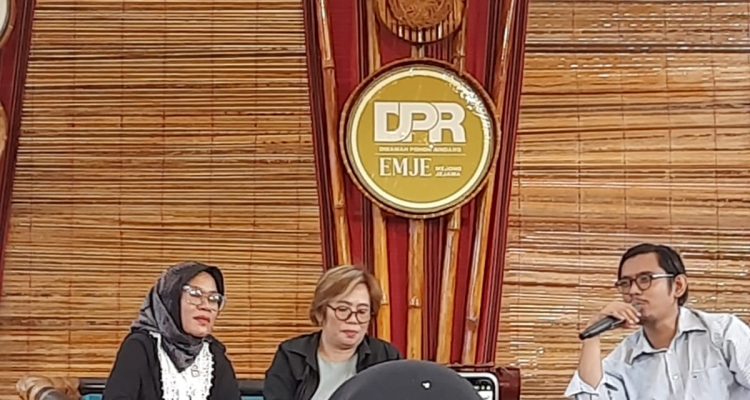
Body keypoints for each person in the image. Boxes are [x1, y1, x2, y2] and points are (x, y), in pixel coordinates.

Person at [565, 243, 750, 399]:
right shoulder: (624, 359)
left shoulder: (723, 333)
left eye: (645, 279)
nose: (633, 291)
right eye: (625, 283)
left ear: (678, 286)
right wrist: (592, 336)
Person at [103, 261, 240, 400]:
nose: (206, 306)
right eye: (195, 294)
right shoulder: (141, 347)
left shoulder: (214, 356)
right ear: (171, 298)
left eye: (214, 298)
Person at [263, 265, 402, 400]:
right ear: (320, 313)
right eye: (343, 309)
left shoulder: (386, 357)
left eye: (362, 312)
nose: (353, 320)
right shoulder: (291, 356)